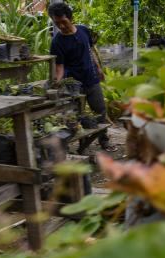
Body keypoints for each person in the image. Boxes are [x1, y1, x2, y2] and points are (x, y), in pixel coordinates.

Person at [48, 2, 117, 152]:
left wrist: (99, 69)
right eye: (57, 23)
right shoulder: (57, 42)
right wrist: (56, 82)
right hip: (74, 86)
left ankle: (104, 141)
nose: (61, 26)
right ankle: (80, 147)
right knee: (75, 117)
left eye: (64, 22)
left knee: (100, 112)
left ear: (70, 18)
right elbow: (59, 67)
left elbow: (90, 50)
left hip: (92, 80)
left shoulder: (83, 30)